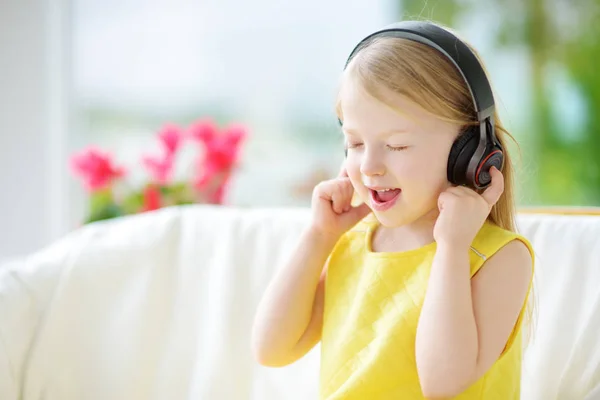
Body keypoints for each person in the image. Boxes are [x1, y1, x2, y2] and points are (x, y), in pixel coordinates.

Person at [252, 20, 534, 399]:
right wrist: (318, 237)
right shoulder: (351, 244)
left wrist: (451, 249)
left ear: (469, 152)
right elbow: (271, 348)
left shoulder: (497, 257)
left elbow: (442, 383)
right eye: (353, 142)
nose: (369, 166)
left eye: (397, 146)